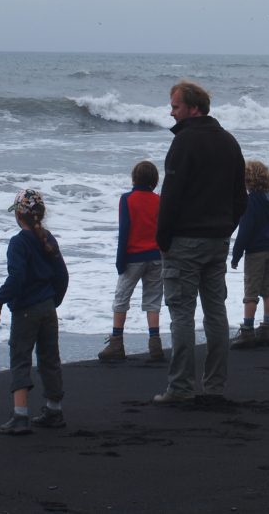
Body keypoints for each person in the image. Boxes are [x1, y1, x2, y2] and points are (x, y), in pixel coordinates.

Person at [153, 80, 247, 404]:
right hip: (217, 239)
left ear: (193, 109)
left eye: (176, 106)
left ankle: (179, 387)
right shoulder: (229, 142)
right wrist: (227, 227)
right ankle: (215, 386)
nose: (172, 112)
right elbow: (241, 197)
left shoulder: (184, 142)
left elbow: (171, 196)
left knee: (181, 312)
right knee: (216, 312)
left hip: (184, 241)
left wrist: (162, 237)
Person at [0, 189, 70, 434]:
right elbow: (62, 276)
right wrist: (53, 300)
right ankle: (54, 409)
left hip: (26, 310)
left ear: (18, 215)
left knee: (21, 358)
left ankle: (20, 415)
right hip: (48, 307)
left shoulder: (18, 242)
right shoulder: (47, 238)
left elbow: (17, 277)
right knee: (50, 359)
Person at [98, 161, 165, 362]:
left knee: (121, 299)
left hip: (133, 257)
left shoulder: (127, 199)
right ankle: (155, 345)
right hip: (156, 256)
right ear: (154, 181)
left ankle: (117, 343)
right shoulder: (159, 200)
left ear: (134, 178)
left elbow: (124, 231)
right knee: (152, 301)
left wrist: (120, 261)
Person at [229, 160, 269, 349]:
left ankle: (247, 331)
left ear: (248, 180)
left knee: (251, 292)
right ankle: (267, 329)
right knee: (268, 290)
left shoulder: (250, 201)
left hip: (256, 251)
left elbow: (245, 230)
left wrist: (236, 255)